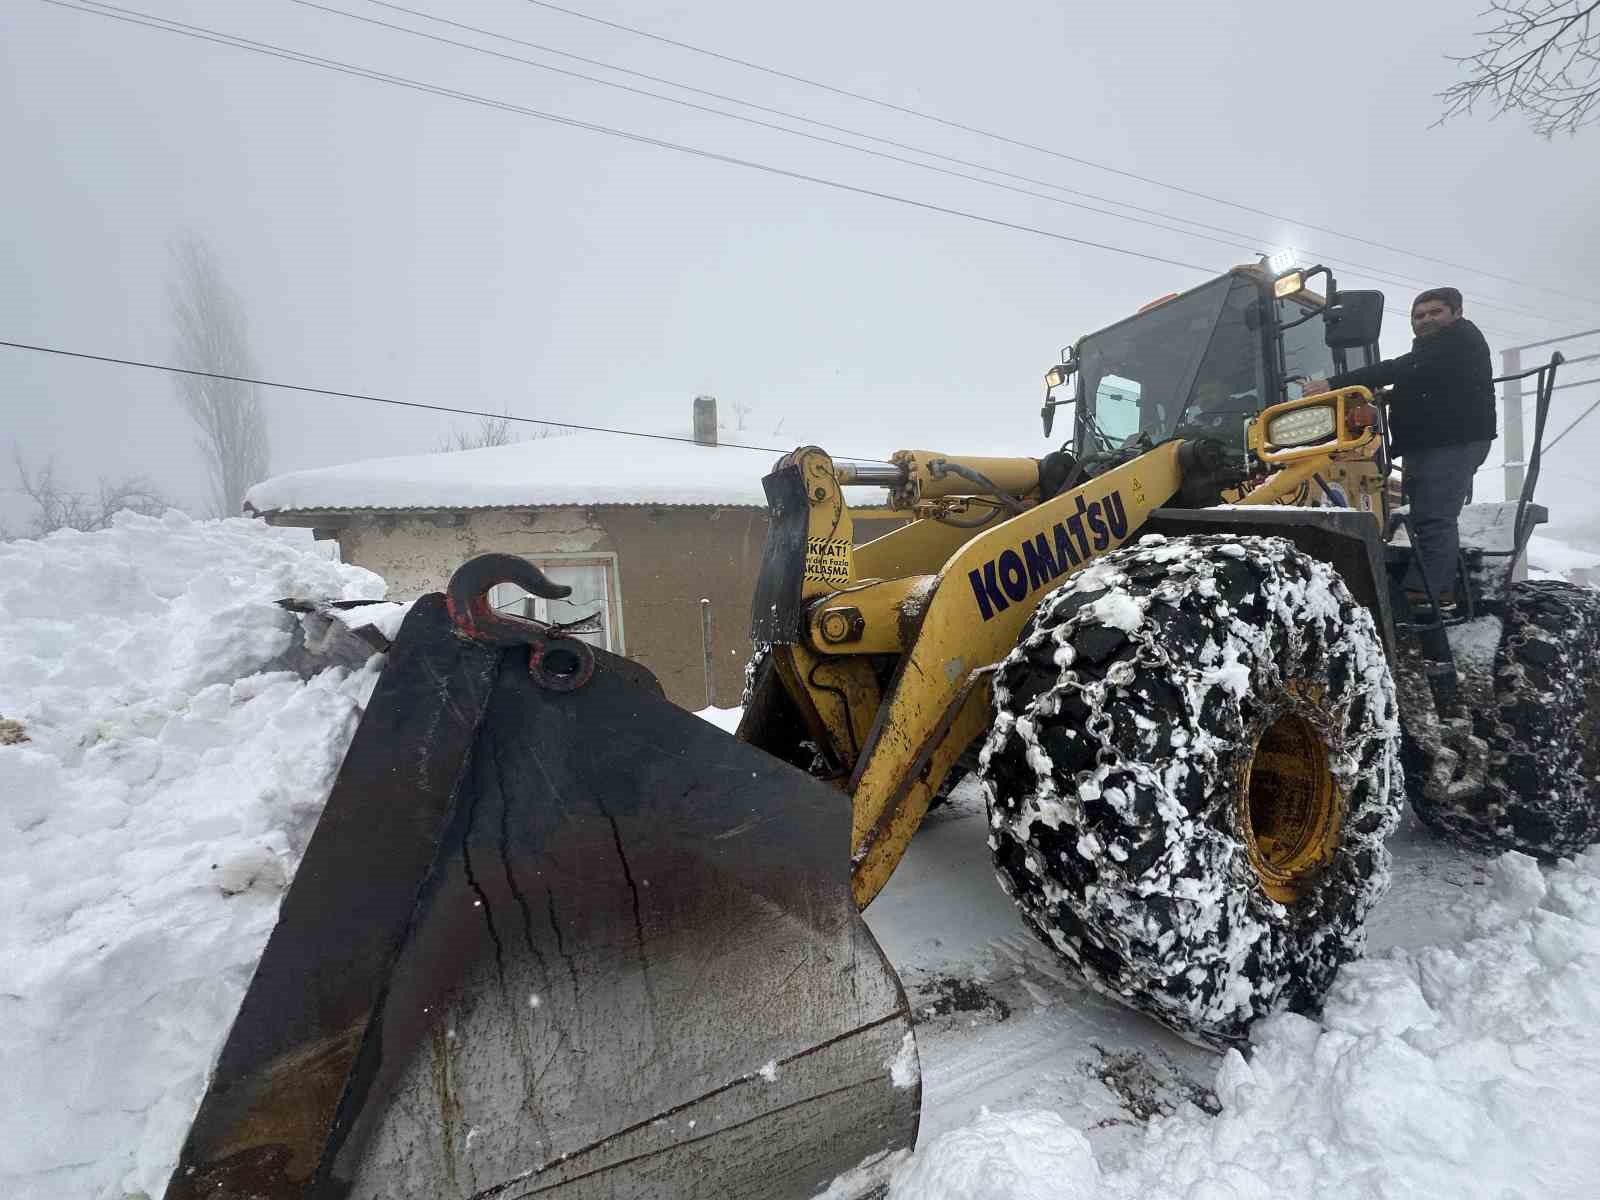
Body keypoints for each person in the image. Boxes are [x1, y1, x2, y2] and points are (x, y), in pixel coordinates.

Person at [1303, 287, 1494, 607]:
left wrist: (1332, 384)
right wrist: (1391, 397)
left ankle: (1432, 594)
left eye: (1435, 312)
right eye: (1419, 315)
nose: (1426, 319)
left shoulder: (1459, 340)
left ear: (1457, 313)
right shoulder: (1435, 350)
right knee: (1425, 518)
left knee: (1434, 518)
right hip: (1430, 443)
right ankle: (1428, 586)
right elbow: (1429, 381)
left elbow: (1400, 368)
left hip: (1452, 442)